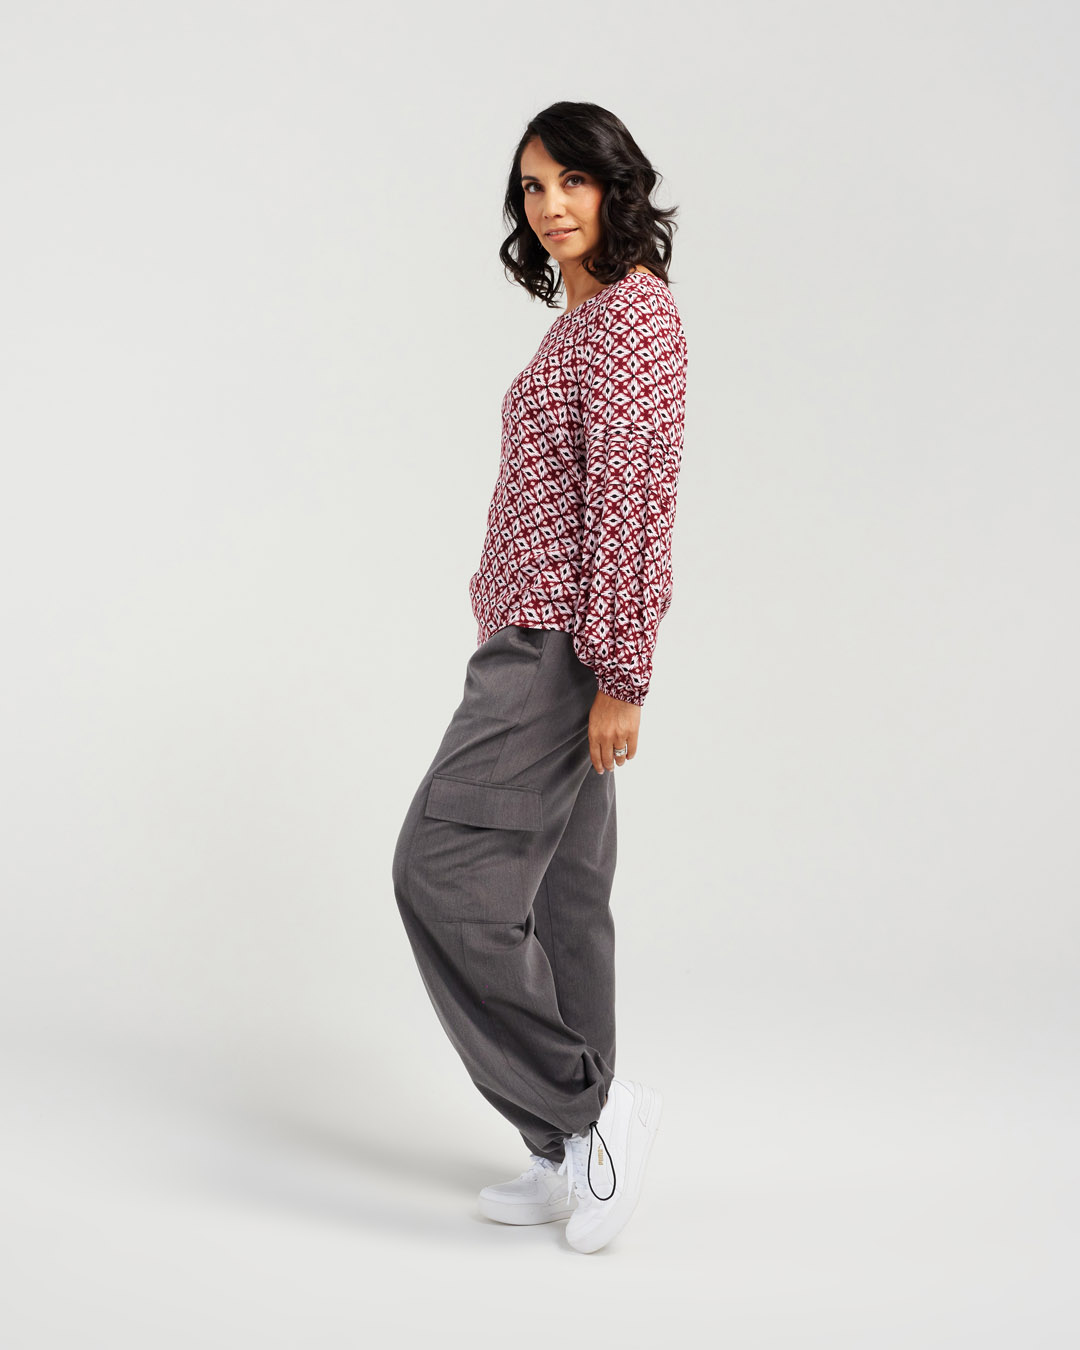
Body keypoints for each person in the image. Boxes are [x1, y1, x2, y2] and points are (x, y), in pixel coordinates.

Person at [392, 101, 688, 1254]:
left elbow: (633, 505)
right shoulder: (585, 323)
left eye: (574, 180)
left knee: (439, 872)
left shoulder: (633, 320)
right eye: (532, 186)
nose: (552, 204)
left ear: (617, 188)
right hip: (536, 637)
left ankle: (590, 1110)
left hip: (559, 648)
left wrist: (621, 673)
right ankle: (568, 1154)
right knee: (562, 897)